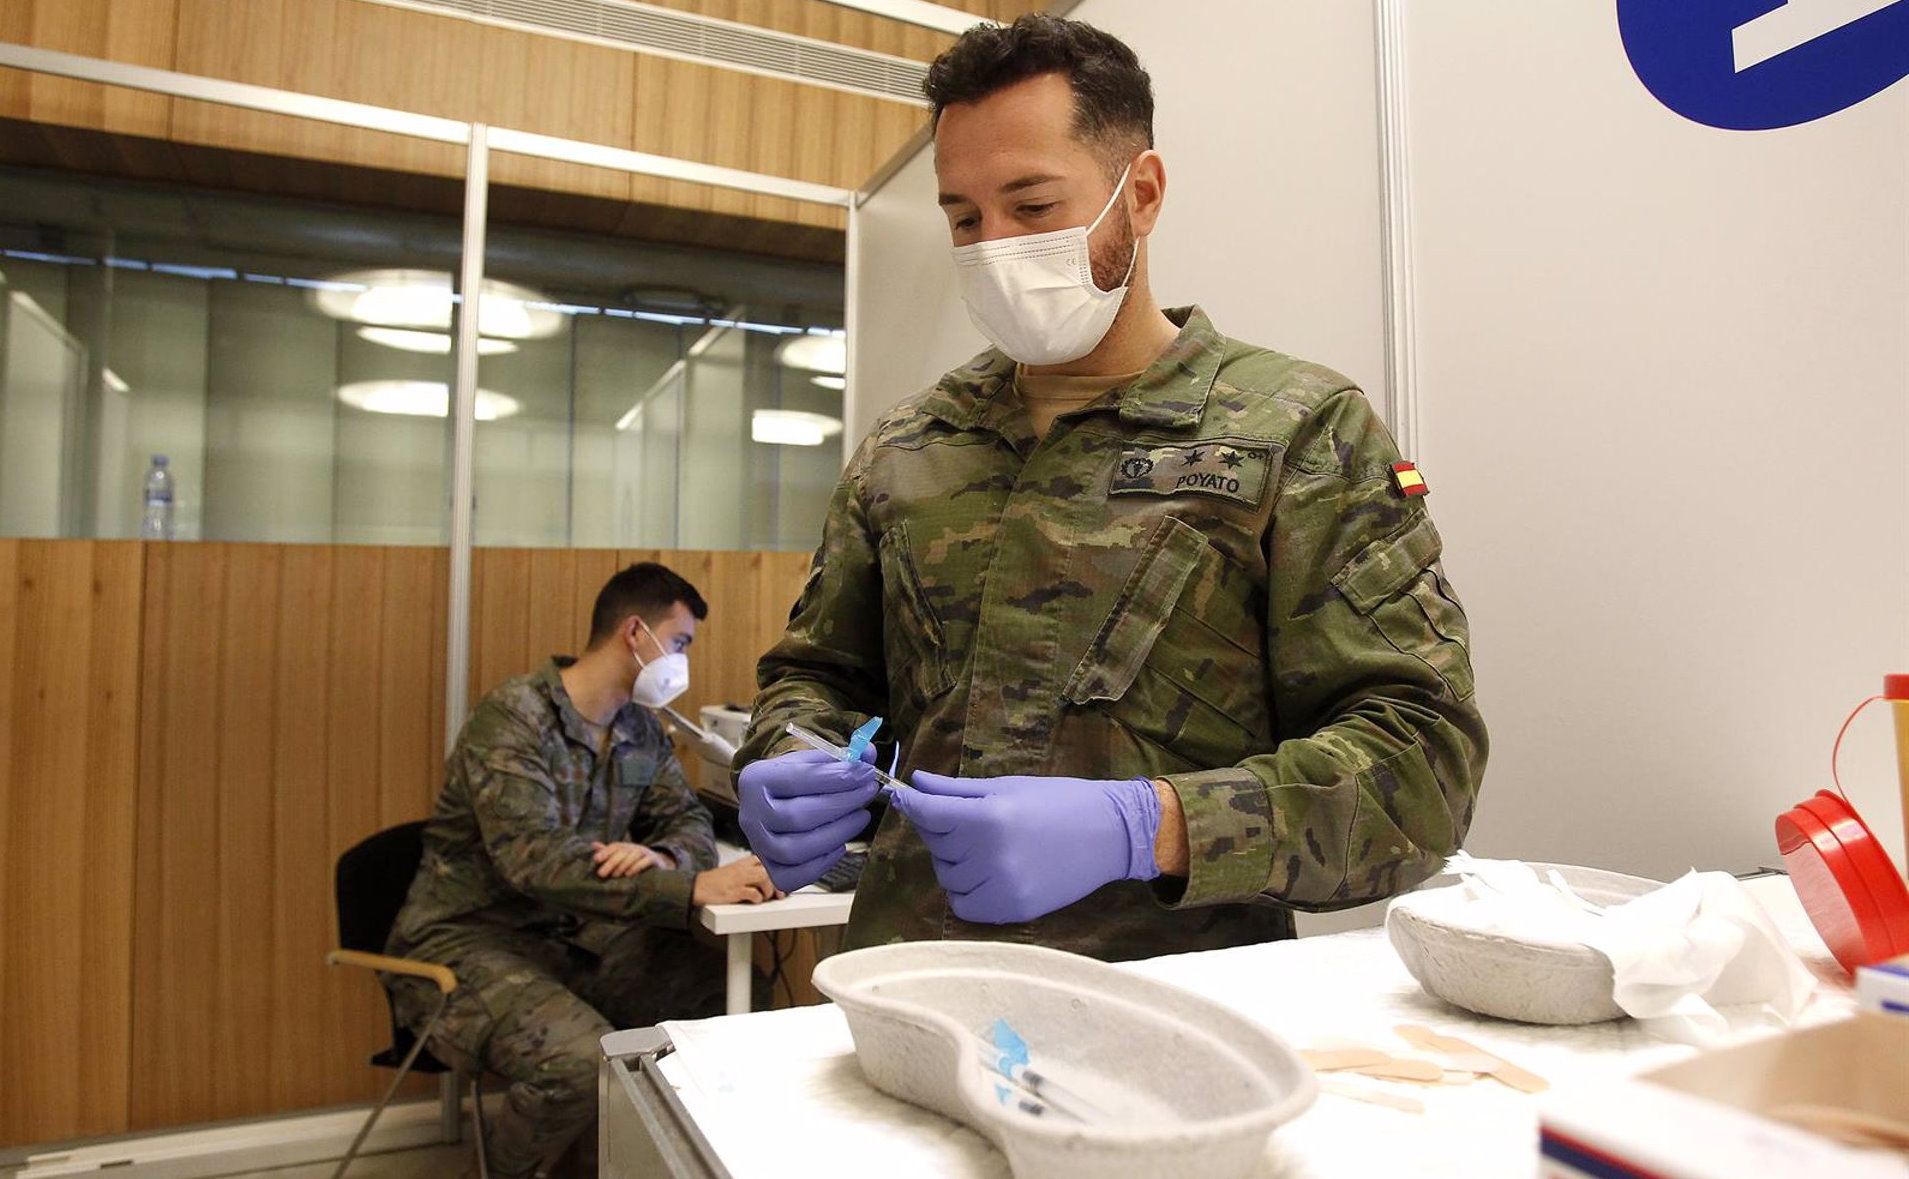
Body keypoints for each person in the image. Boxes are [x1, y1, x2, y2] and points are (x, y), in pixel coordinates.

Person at [734, 14, 1488, 962]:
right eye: (964, 218)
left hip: (1176, 1022)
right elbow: (818, 674)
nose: (993, 246)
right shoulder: (910, 444)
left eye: (1033, 205)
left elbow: (1422, 765)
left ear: (1140, 194)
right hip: (909, 989)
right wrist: (794, 752)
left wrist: (1152, 824)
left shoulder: (1294, 429)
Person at [386, 562, 780, 1179]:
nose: (681, 661)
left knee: (729, 997)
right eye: (678, 643)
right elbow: (533, 861)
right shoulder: (515, 718)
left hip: (575, 936)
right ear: (634, 633)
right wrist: (687, 887)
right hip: (468, 940)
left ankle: (617, 1162)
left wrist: (666, 856)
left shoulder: (638, 730)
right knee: (574, 1064)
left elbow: (691, 824)